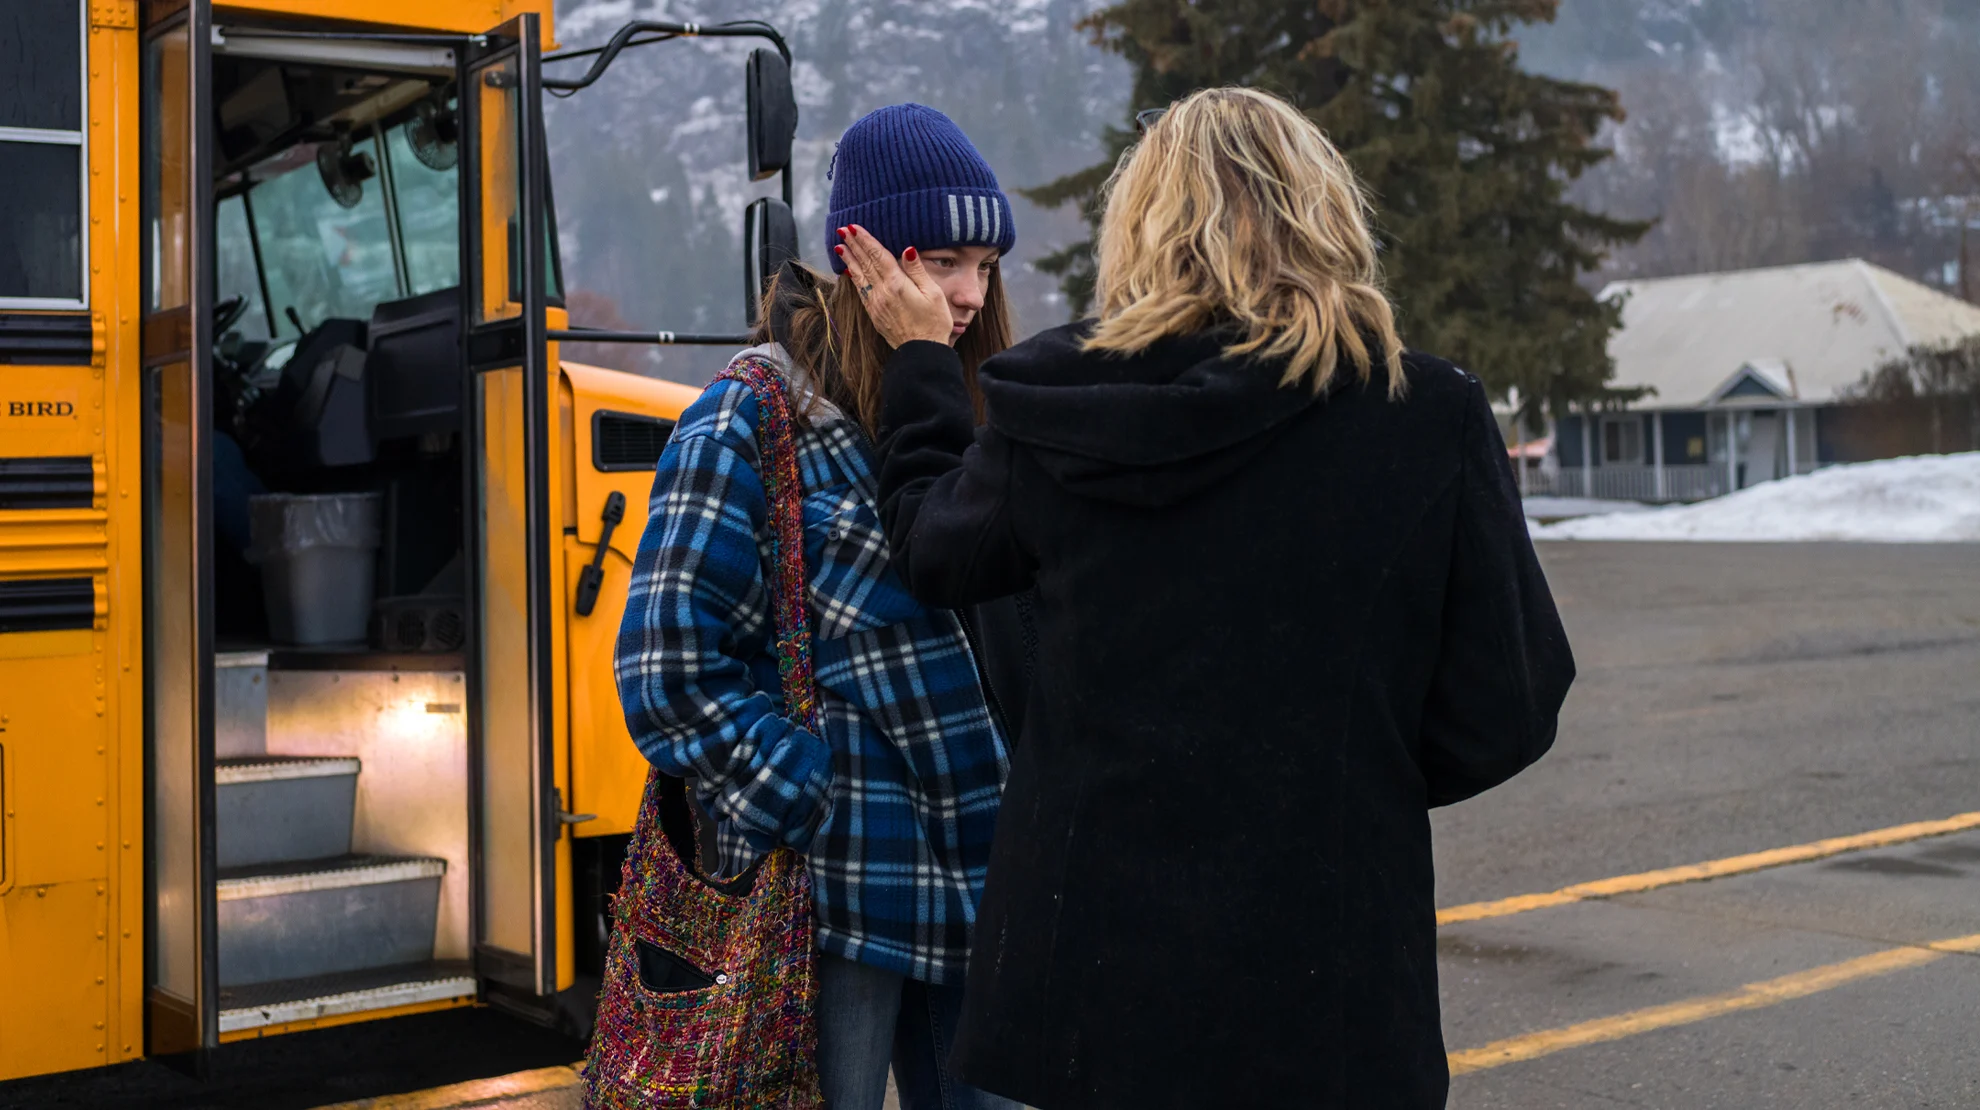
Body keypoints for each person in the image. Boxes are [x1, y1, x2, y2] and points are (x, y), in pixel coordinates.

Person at [839, 86, 1576, 1108]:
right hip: (1334, 983)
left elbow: (931, 551)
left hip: (1096, 991)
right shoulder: (1429, 413)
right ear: (1326, 213)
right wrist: (1340, 775)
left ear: (1141, 226)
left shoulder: (1062, 405)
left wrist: (921, 362)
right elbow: (1508, 706)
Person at [614, 103, 1025, 1110]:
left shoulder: (969, 407)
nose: (968, 294)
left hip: (980, 872)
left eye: (988, 263)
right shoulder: (752, 412)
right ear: (865, 254)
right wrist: (807, 790)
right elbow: (663, 668)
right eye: (941, 260)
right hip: (831, 896)